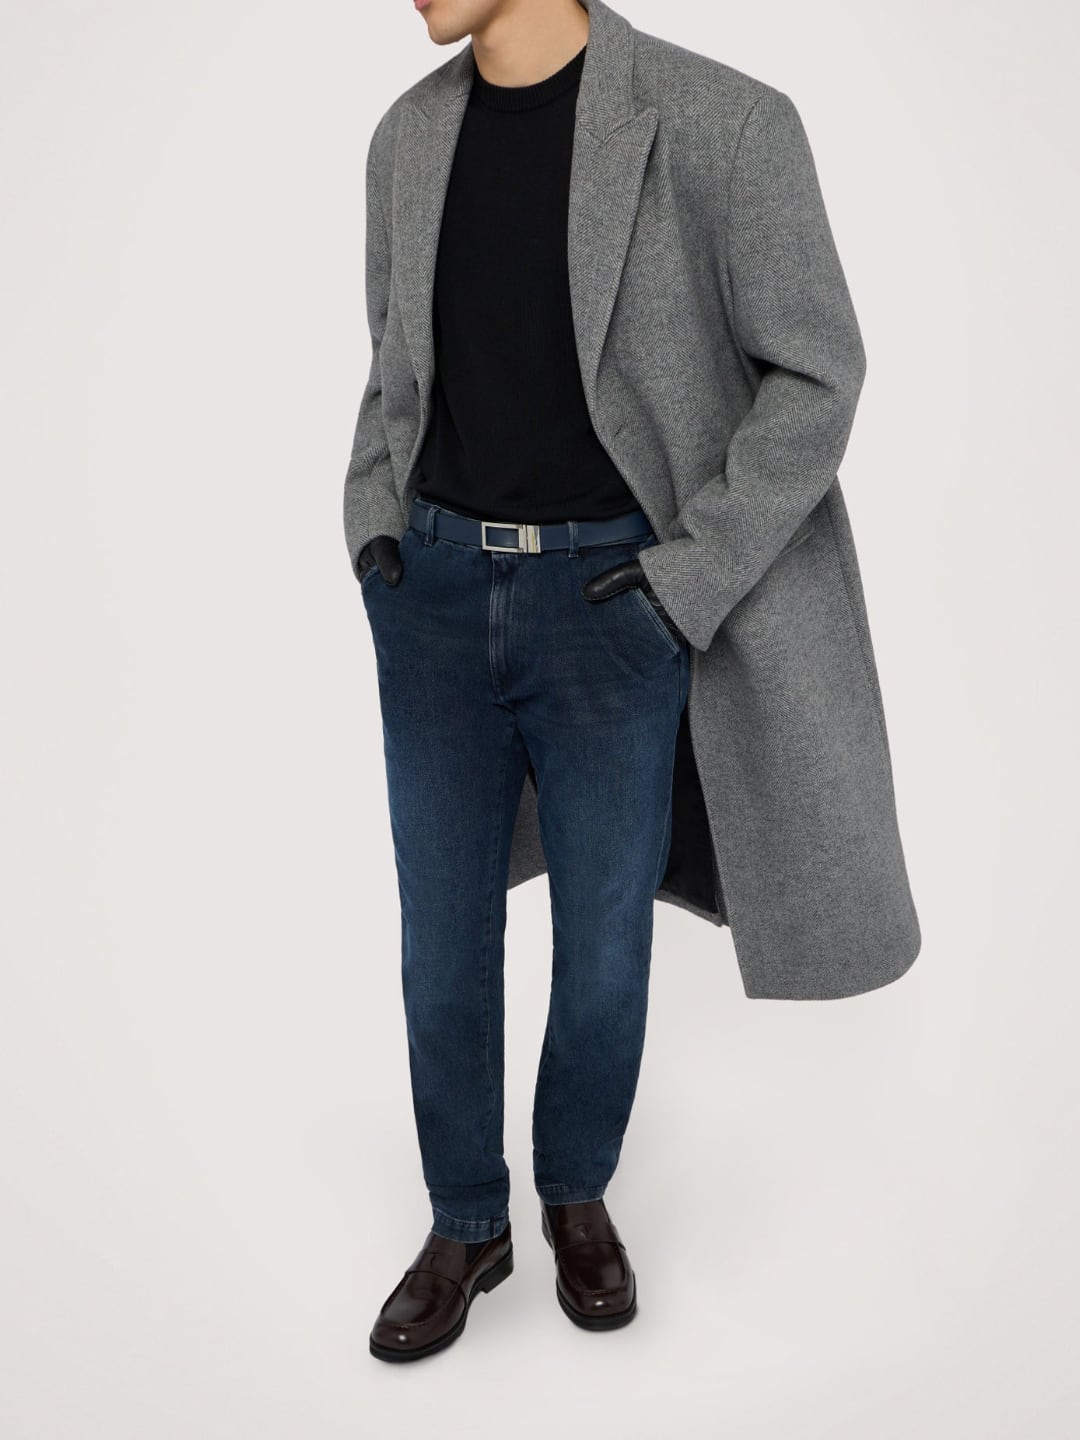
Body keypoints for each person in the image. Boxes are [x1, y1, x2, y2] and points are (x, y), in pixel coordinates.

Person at [345, 0, 920, 1363]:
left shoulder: (724, 121)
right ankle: (464, 1221)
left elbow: (818, 374)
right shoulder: (404, 140)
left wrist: (683, 583)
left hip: (614, 603)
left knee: (605, 942)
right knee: (440, 943)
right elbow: (393, 370)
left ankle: (576, 1195)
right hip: (435, 596)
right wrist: (376, 533)